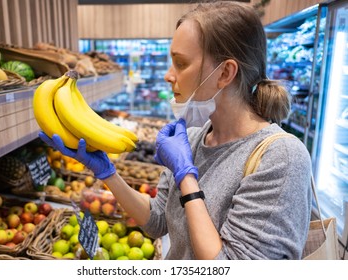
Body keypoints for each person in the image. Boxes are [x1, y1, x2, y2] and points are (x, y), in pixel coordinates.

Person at [39, 1, 312, 259]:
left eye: (181, 64)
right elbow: (157, 221)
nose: (169, 75)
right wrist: (108, 172)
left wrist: (186, 177)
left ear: (225, 73)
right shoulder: (193, 138)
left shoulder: (282, 157)